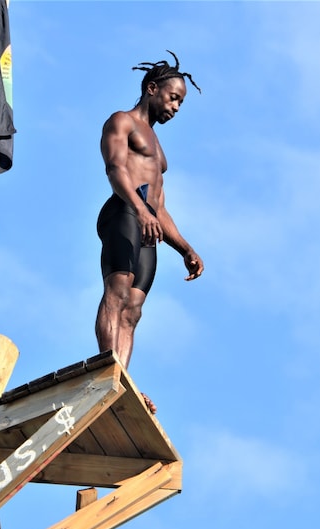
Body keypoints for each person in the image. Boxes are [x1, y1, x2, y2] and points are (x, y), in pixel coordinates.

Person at [95, 51, 204, 413]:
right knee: (119, 290)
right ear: (152, 88)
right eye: (173, 98)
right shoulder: (122, 121)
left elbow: (161, 208)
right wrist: (140, 211)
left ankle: (120, 381)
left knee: (135, 309)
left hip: (148, 224)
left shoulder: (159, 152)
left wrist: (185, 248)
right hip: (124, 212)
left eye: (181, 103)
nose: (175, 107)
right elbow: (115, 170)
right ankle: (106, 373)